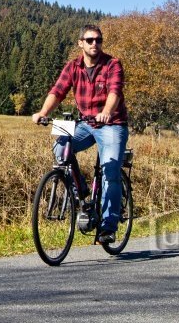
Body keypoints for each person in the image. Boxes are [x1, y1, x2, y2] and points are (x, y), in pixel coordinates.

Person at [32, 24, 127, 243]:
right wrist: (43, 113)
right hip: (84, 123)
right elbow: (58, 91)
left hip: (112, 123)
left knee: (110, 170)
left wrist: (106, 112)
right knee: (60, 147)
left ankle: (108, 227)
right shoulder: (73, 66)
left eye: (99, 40)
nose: (95, 44)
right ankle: (83, 194)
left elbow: (115, 92)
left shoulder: (112, 64)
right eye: (90, 40)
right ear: (81, 43)